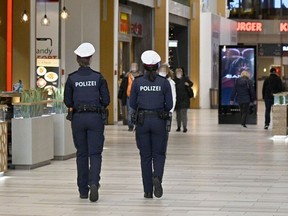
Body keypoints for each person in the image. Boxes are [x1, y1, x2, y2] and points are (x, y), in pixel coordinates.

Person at [64, 42, 110, 202]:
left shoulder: (72, 79)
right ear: (90, 59)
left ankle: (83, 190)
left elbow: (67, 101)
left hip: (78, 119)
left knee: (81, 154)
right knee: (95, 153)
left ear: (77, 59)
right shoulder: (98, 77)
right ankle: (94, 183)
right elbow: (106, 100)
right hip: (95, 118)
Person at [129, 50, 173, 199]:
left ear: (144, 66)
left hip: (142, 122)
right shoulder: (164, 82)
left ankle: (147, 191)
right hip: (159, 121)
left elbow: (132, 103)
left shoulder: (138, 82)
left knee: (145, 156)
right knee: (159, 154)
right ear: (158, 66)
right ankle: (157, 177)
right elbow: (169, 105)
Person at [118, 63, 140, 131]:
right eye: (132, 67)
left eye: (134, 66)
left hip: (138, 97)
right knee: (130, 111)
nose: (133, 68)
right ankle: (130, 125)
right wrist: (120, 95)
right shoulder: (127, 76)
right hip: (129, 96)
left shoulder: (140, 76)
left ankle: (137, 125)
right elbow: (122, 87)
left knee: (138, 111)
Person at [174, 67, 193, 133]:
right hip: (177, 100)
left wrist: (188, 84)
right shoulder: (174, 80)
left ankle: (184, 127)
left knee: (184, 114)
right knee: (178, 115)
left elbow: (191, 83)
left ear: (182, 73)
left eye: (180, 72)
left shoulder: (185, 79)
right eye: (177, 72)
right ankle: (178, 126)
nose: (179, 73)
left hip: (185, 99)